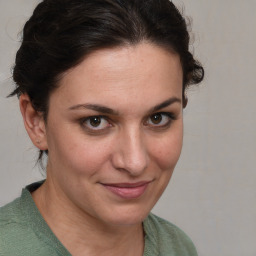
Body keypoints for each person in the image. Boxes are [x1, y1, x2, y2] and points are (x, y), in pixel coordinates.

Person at [0, 0, 204, 255]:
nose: (135, 162)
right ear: (36, 121)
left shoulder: (177, 248)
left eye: (158, 118)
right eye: (95, 121)